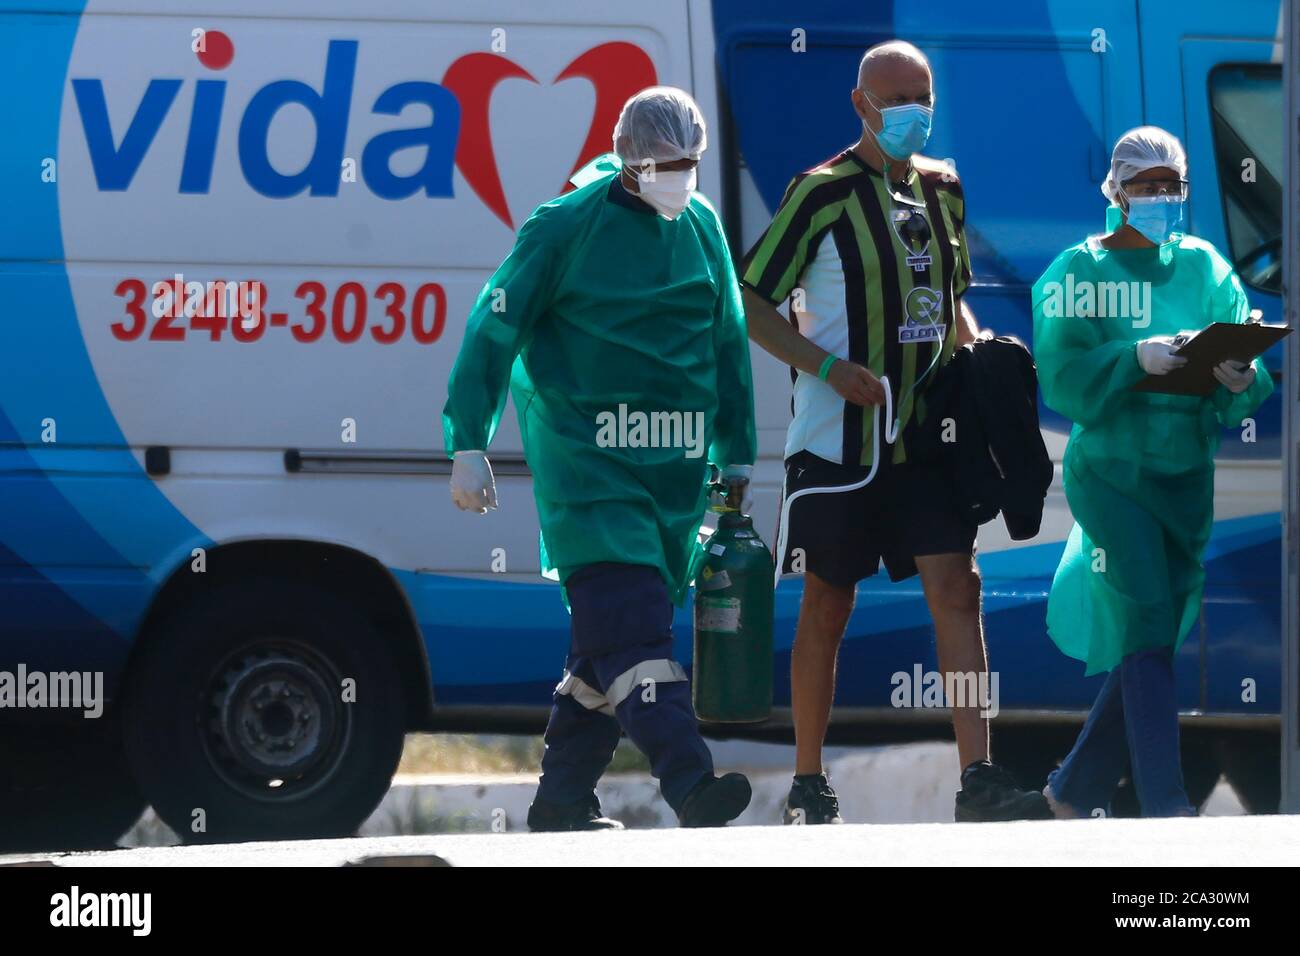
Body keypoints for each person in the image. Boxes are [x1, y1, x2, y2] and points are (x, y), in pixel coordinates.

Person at [742, 40, 1049, 822]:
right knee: (827, 602)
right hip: (836, 441)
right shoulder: (818, 193)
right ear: (861, 105)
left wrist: (978, 359)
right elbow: (748, 301)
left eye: (923, 98)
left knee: (959, 587)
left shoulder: (944, 187)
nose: (912, 114)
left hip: (927, 435)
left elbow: (951, 300)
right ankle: (809, 782)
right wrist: (826, 366)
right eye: (895, 100)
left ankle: (978, 774)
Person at [442, 87, 758, 830]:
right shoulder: (564, 228)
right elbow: (493, 328)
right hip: (590, 475)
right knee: (639, 630)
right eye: (665, 164)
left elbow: (727, 343)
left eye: (691, 162)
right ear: (629, 161)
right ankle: (690, 782)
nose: (680, 175)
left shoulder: (702, 226)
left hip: (672, 482)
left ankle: (560, 801)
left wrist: (734, 456)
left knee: (604, 651)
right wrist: (467, 441)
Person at [1032, 126, 1273, 817]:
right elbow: (1062, 373)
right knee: (1143, 622)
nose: (1162, 198)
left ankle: (1073, 789)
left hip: (1184, 473)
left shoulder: (1202, 266)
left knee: (1159, 627)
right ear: (1118, 192)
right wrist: (1132, 358)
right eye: (1148, 186)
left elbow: (1246, 351)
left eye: (1173, 185)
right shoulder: (1077, 273)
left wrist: (1238, 374)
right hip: (1112, 475)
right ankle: (1166, 806)